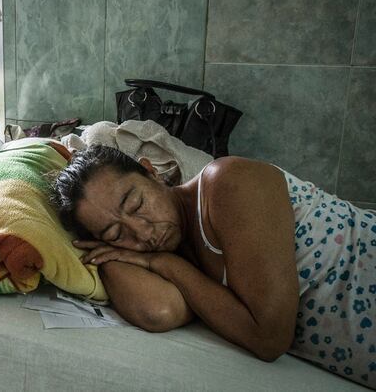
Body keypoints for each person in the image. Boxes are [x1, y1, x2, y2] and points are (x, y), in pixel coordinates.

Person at [51, 145, 375, 388]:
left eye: (136, 204)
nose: (143, 233)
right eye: (115, 234)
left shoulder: (228, 184)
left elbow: (270, 338)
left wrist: (162, 263)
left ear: (152, 172)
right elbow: (157, 311)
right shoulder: (181, 252)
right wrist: (115, 252)